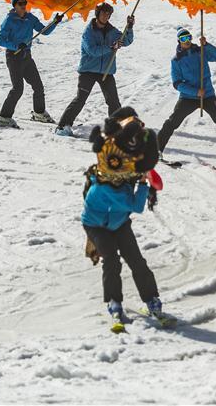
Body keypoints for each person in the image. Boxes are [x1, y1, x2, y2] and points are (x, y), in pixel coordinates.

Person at [81, 107, 166, 329]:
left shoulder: (126, 171)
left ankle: (152, 300)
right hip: (96, 224)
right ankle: (114, 301)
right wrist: (142, 184)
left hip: (119, 223)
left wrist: (142, 179)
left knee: (136, 260)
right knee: (111, 260)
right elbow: (134, 205)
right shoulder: (104, 180)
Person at [156, 27, 216, 157]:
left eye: (188, 37)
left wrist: (206, 45)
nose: (187, 41)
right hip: (188, 97)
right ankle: (157, 149)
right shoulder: (176, 60)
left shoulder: (201, 51)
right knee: (173, 122)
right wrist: (195, 91)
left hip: (207, 95)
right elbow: (177, 83)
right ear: (179, 41)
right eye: (183, 38)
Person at [55, 2, 134, 136]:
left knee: (113, 101)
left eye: (108, 14)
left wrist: (129, 27)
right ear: (97, 14)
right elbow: (92, 51)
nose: (106, 16)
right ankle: (62, 127)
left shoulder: (112, 30)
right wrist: (111, 47)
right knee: (80, 99)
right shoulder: (89, 31)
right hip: (88, 71)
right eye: (103, 13)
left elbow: (126, 41)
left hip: (106, 71)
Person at [0, 0, 62, 127]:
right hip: (14, 57)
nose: (23, 6)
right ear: (14, 5)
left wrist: (54, 22)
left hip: (26, 56)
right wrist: (16, 46)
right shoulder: (9, 20)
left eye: (24, 3)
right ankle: (4, 117)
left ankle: (39, 113)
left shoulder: (30, 18)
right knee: (18, 88)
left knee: (38, 86)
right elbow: (1, 40)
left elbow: (44, 31)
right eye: (20, 3)